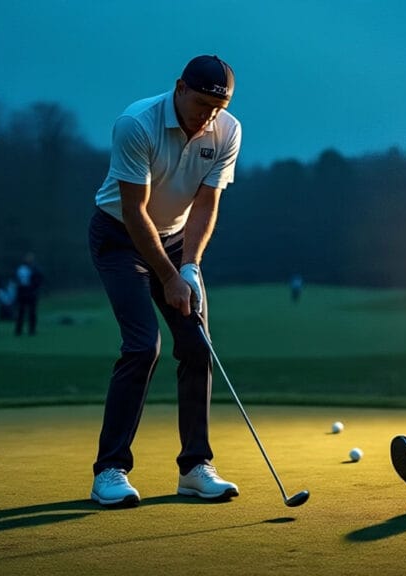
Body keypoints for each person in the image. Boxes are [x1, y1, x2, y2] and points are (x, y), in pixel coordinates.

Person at [87, 55, 242, 508]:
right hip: (119, 237)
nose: (207, 116)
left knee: (197, 346)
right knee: (142, 346)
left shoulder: (227, 130)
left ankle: (195, 468)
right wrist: (170, 278)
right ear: (179, 88)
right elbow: (135, 213)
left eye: (217, 107)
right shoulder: (136, 124)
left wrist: (190, 267)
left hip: (176, 241)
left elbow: (206, 204)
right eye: (200, 104)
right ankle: (109, 471)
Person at [14, 252, 44, 336]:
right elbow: (17, 280)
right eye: (27, 258)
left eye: (30, 258)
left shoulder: (35, 269)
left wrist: (34, 288)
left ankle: (32, 330)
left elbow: (39, 280)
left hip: (31, 293)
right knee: (21, 312)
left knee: (32, 312)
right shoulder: (20, 268)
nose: (29, 259)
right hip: (22, 292)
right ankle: (18, 330)